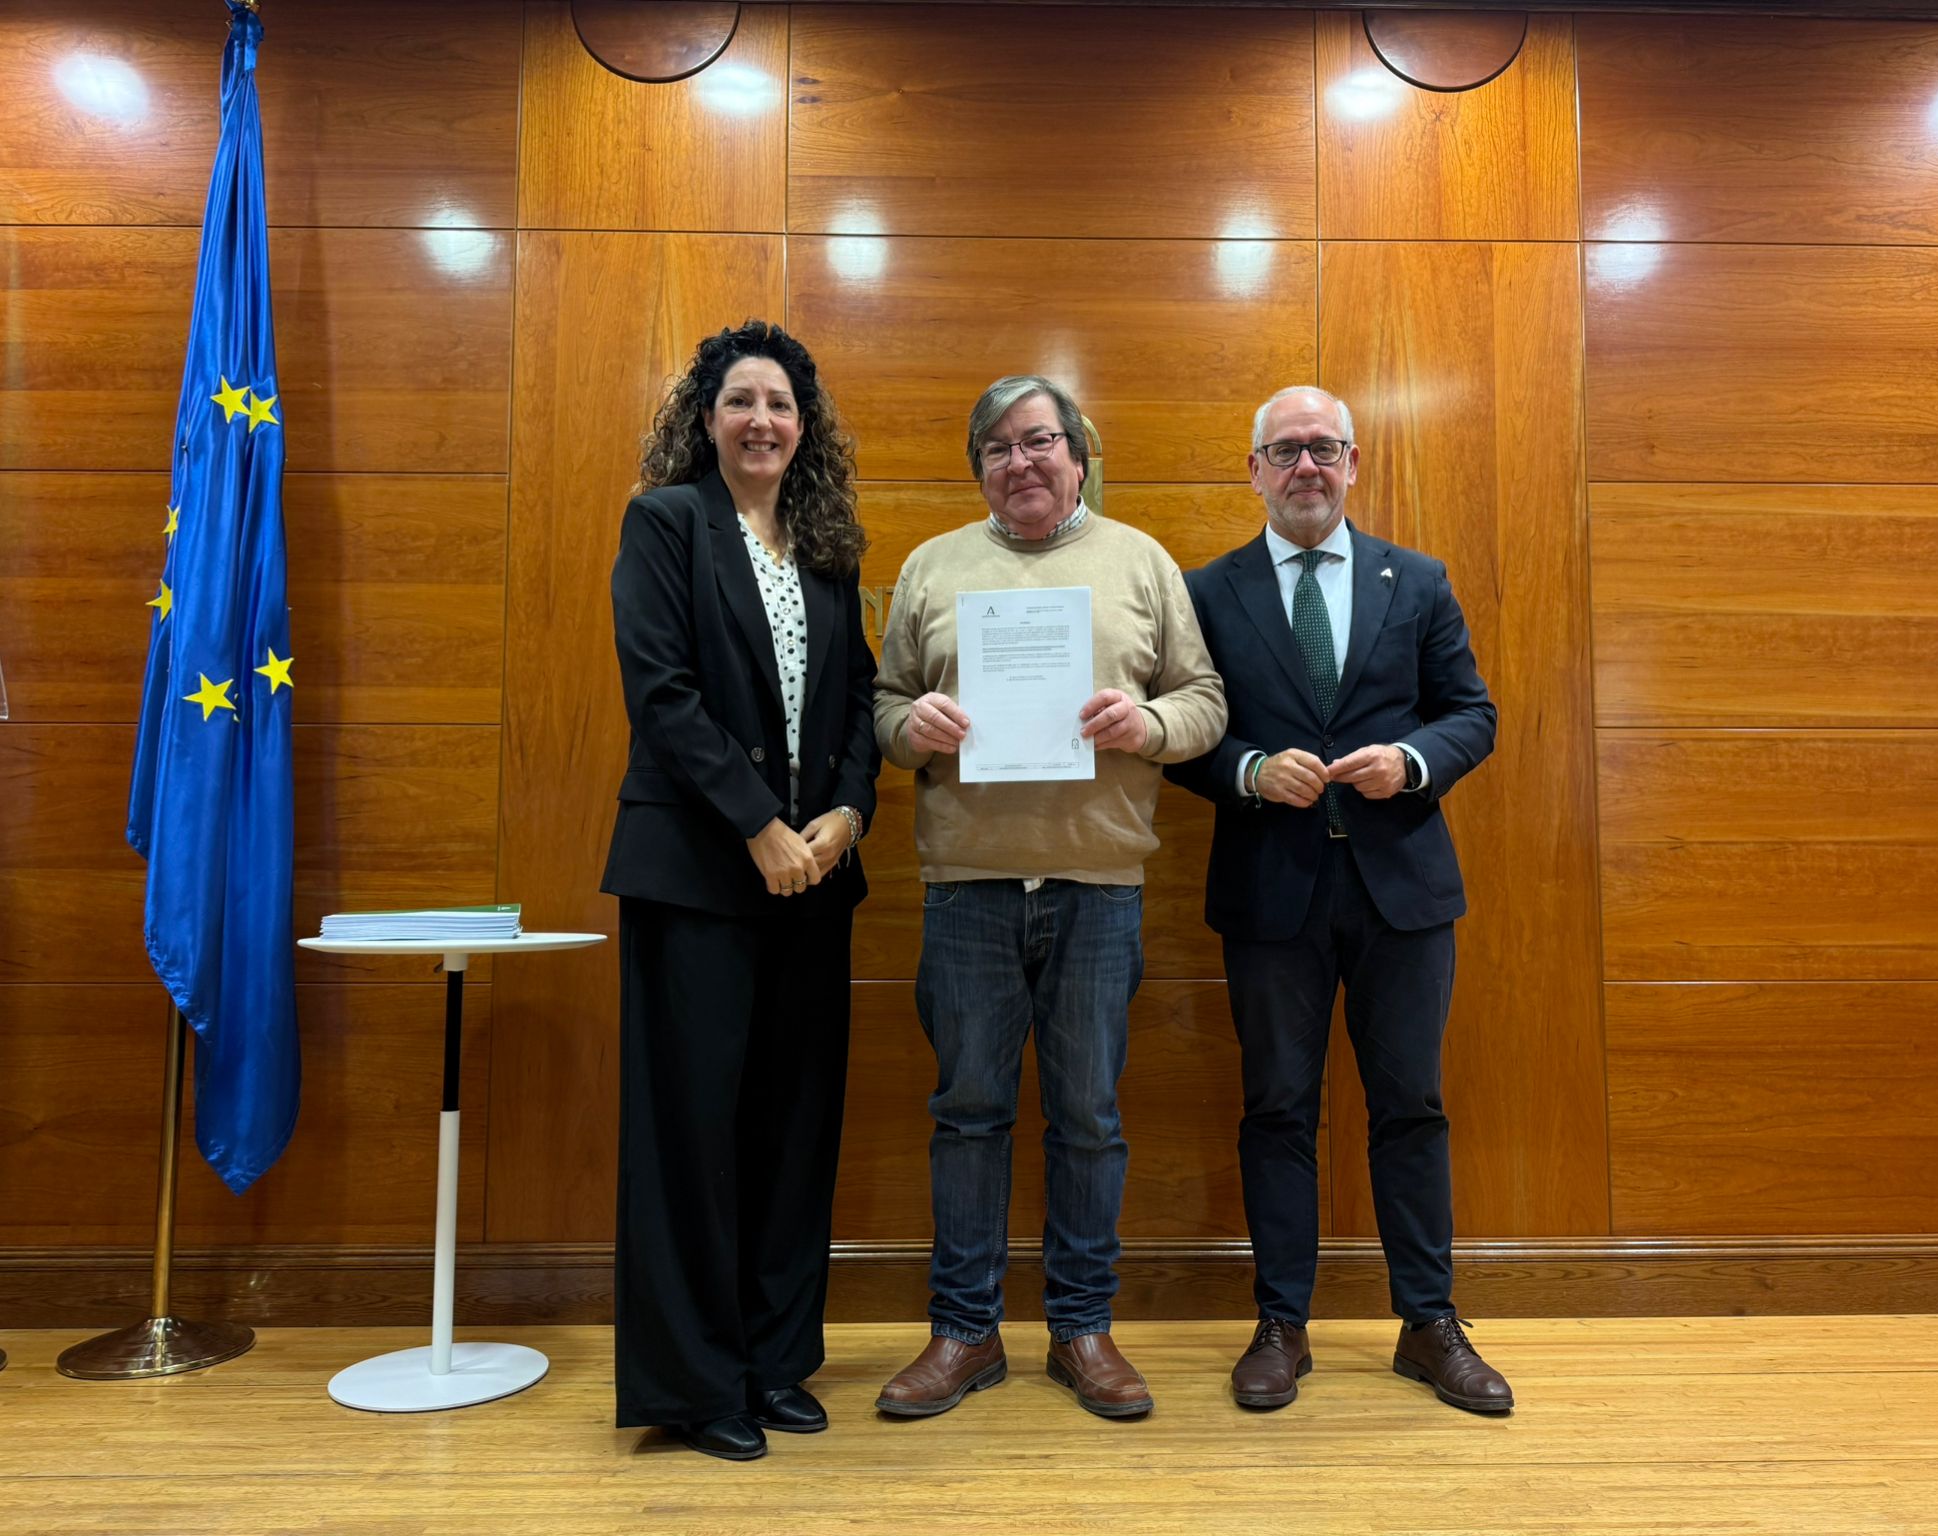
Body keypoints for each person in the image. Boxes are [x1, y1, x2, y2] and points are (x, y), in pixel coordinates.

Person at [871, 375, 1226, 1421]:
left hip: (1097, 885)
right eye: (996, 448)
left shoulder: (1140, 561)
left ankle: (1082, 1328)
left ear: (1076, 455)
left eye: (1037, 442)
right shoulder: (932, 566)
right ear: (977, 468)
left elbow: (1204, 701)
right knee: (967, 1116)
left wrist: (1148, 726)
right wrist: (908, 728)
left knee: (1088, 1119)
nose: (1018, 462)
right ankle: (963, 1332)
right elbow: (883, 706)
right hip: (968, 889)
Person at [1163, 385, 1511, 1414]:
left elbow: (1472, 714)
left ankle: (1429, 1323)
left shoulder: (1419, 580)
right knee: (1277, 1109)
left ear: (1353, 463)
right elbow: (1179, 733)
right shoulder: (1207, 592)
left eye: (1323, 448)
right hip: (1270, 896)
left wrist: (1410, 762)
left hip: (1402, 891)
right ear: (1254, 471)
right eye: (1284, 451)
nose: (1305, 467)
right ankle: (1281, 1324)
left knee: (1412, 1108)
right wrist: (1247, 769)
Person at [601, 320, 880, 1460]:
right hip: (698, 875)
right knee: (693, 1135)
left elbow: (858, 701)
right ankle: (695, 1382)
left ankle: (773, 1362)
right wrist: (758, 825)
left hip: (814, 878)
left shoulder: (825, 547)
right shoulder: (665, 523)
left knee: (792, 1129)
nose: (761, 420)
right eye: (739, 402)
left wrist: (846, 815)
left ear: (803, 428)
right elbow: (661, 694)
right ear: (705, 420)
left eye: (779, 405)